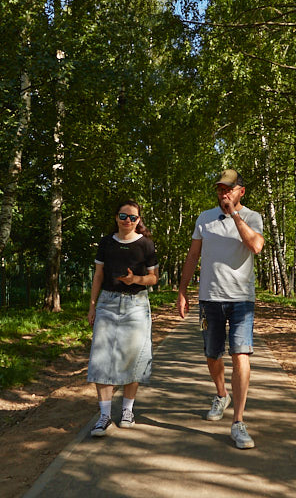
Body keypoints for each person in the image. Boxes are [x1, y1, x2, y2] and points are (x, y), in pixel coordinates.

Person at [177, 169, 265, 449]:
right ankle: (221, 394)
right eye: (220, 189)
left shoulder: (252, 217)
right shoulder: (204, 218)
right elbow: (193, 255)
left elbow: (256, 246)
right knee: (212, 353)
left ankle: (238, 422)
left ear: (241, 191)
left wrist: (234, 215)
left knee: (240, 354)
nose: (223, 194)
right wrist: (182, 291)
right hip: (209, 299)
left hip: (241, 300)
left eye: (229, 189)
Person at [86, 199, 159, 437]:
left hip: (136, 305)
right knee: (101, 357)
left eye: (133, 217)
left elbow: (154, 278)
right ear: (116, 218)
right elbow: (98, 275)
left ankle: (127, 411)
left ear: (139, 221)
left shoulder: (146, 244)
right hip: (107, 303)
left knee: (133, 358)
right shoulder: (106, 243)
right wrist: (92, 306)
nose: (128, 220)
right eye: (123, 216)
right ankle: (104, 416)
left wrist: (135, 280)